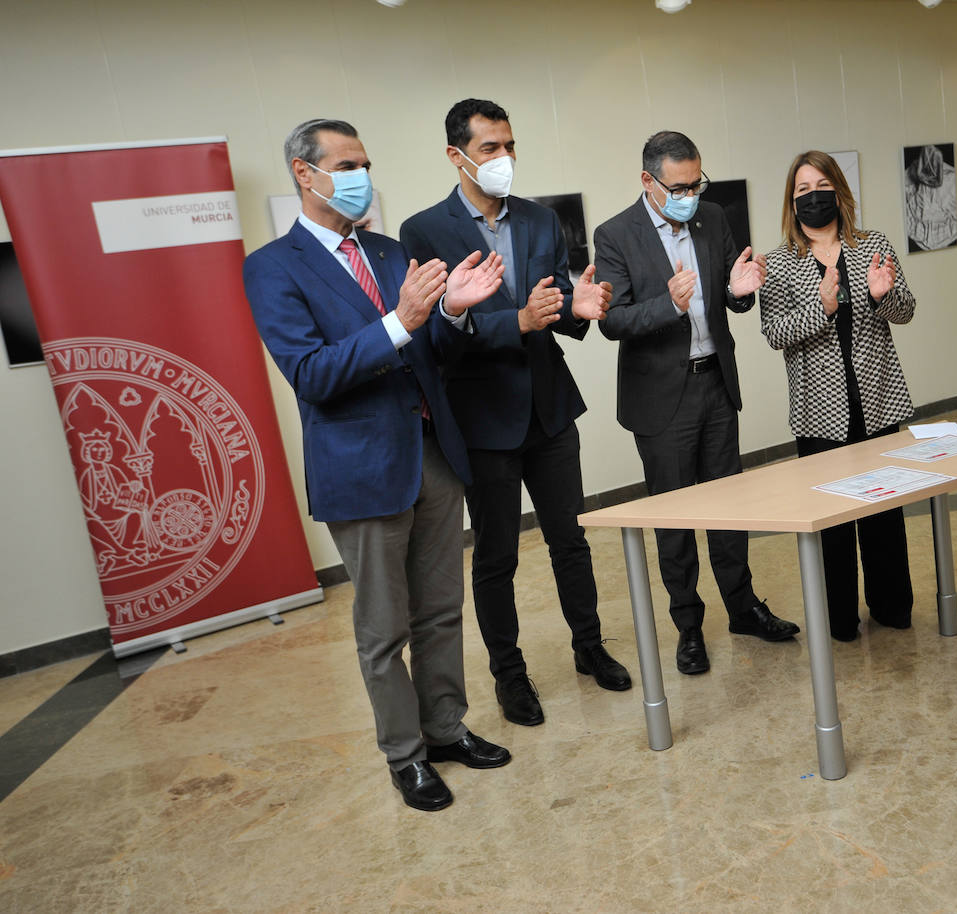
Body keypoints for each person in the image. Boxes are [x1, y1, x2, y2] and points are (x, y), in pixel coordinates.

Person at [243, 118, 513, 812]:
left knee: (442, 612)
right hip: (361, 469)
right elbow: (311, 373)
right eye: (347, 163)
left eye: (365, 162)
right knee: (384, 628)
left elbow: (434, 354)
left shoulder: (393, 252)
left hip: (432, 456)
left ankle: (447, 728)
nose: (362, 175)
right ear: (307, 174)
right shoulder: (272, 267)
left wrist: (451, 312)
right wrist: (399, 322)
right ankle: (406, 754)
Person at [399, 99, 629, 728]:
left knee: (570, 540)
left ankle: (590, 647)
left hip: (550, 410)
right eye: (490, 149)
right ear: (457, 156)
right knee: (498, 556)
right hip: (483, 421)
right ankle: (511, 674)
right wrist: (516, 321)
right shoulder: (423, 231)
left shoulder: (539, 219)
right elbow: (438, 337)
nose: (505, 159)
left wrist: (578, 310)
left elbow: (556, 299)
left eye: (510, 146)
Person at [593, 131, 801, 675]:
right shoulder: (615, 234)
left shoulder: (712, 217)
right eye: (679, 186)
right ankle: (688, 625)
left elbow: (735, 290)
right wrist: (670, 304)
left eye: (696, 182)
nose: (691, 194)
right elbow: (613, 321)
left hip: (715, 384)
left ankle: (742, 607)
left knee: (731, 508)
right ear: (648, 182)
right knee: (675, 517)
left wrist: (738, 290)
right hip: (663, 398)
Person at [758, 151, 917, 642]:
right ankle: (840, 619)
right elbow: (774, 332)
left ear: (839, 192)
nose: (812, 196)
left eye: (821, 185)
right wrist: (823, 309)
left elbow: (905, 310)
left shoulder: (872, 244)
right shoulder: (780, 263)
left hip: (878, 401)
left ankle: (892, 607)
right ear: (791, 201)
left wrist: (880, 293)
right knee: (831, 524)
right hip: (818, 412)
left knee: (884, 514)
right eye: (802, 190)